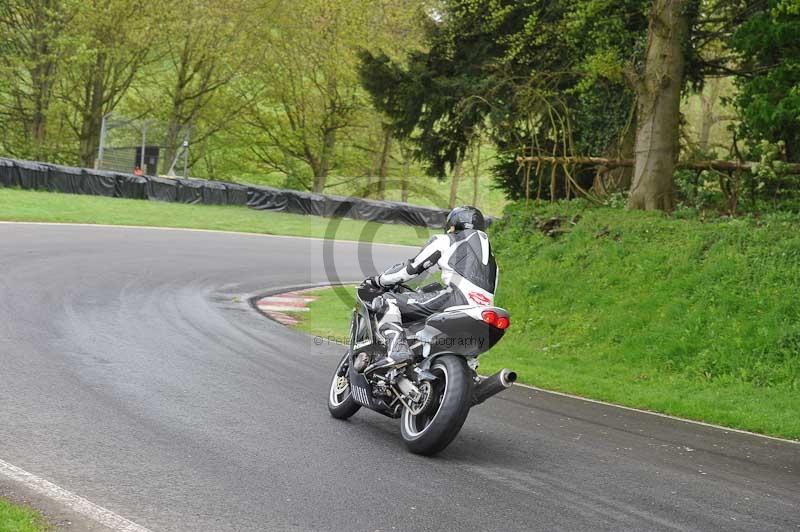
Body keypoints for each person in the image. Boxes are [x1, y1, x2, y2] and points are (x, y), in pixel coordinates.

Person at [362, 206, 498, 372]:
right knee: (469, 360)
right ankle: (468, 373)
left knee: (387, 301)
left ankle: (397, 350)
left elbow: (411, 268)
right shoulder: (492, 260)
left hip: (455, 298)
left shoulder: (448, 240)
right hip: (485, 311)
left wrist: (379, 281)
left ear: (453, 225)